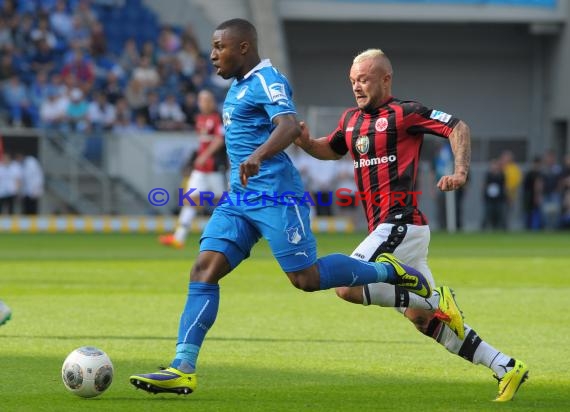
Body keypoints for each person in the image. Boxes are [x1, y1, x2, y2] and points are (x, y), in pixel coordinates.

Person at [129, 19, 437, 396]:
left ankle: (390, 273)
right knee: (203, 270)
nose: (212, 55)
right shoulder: (238, 87)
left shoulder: (267, 80)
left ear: (243, 47)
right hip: (239, 199)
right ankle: (183, 367)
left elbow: (289, 125)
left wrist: (259, 155)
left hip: (277, 196)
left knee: (305, 279)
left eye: (219, 47)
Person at [294, 49, 528, 402]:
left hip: (399, 223)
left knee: (346, 286)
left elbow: (457, 126)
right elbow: (331, 148)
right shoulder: (350, 120)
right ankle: (505, 366)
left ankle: (429, 293)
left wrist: (461, 171)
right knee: (425, 319)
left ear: (386, 79)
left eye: (364, 79)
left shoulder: (406, 113)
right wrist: (306, 143)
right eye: (353, 81)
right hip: (394, 231)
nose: (357, 87)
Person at [159, 89, 227, 249]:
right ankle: (179, 238)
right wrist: (198, 158)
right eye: (201, 100)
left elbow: (219, 140)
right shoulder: (200, 118)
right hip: (201, 169)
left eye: (206, 100)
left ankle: (230, 233)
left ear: (212, 102)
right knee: (190, 199)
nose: (203, 103)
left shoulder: (218, 118)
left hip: (215, 168)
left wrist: (205, 156)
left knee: (222, 202)